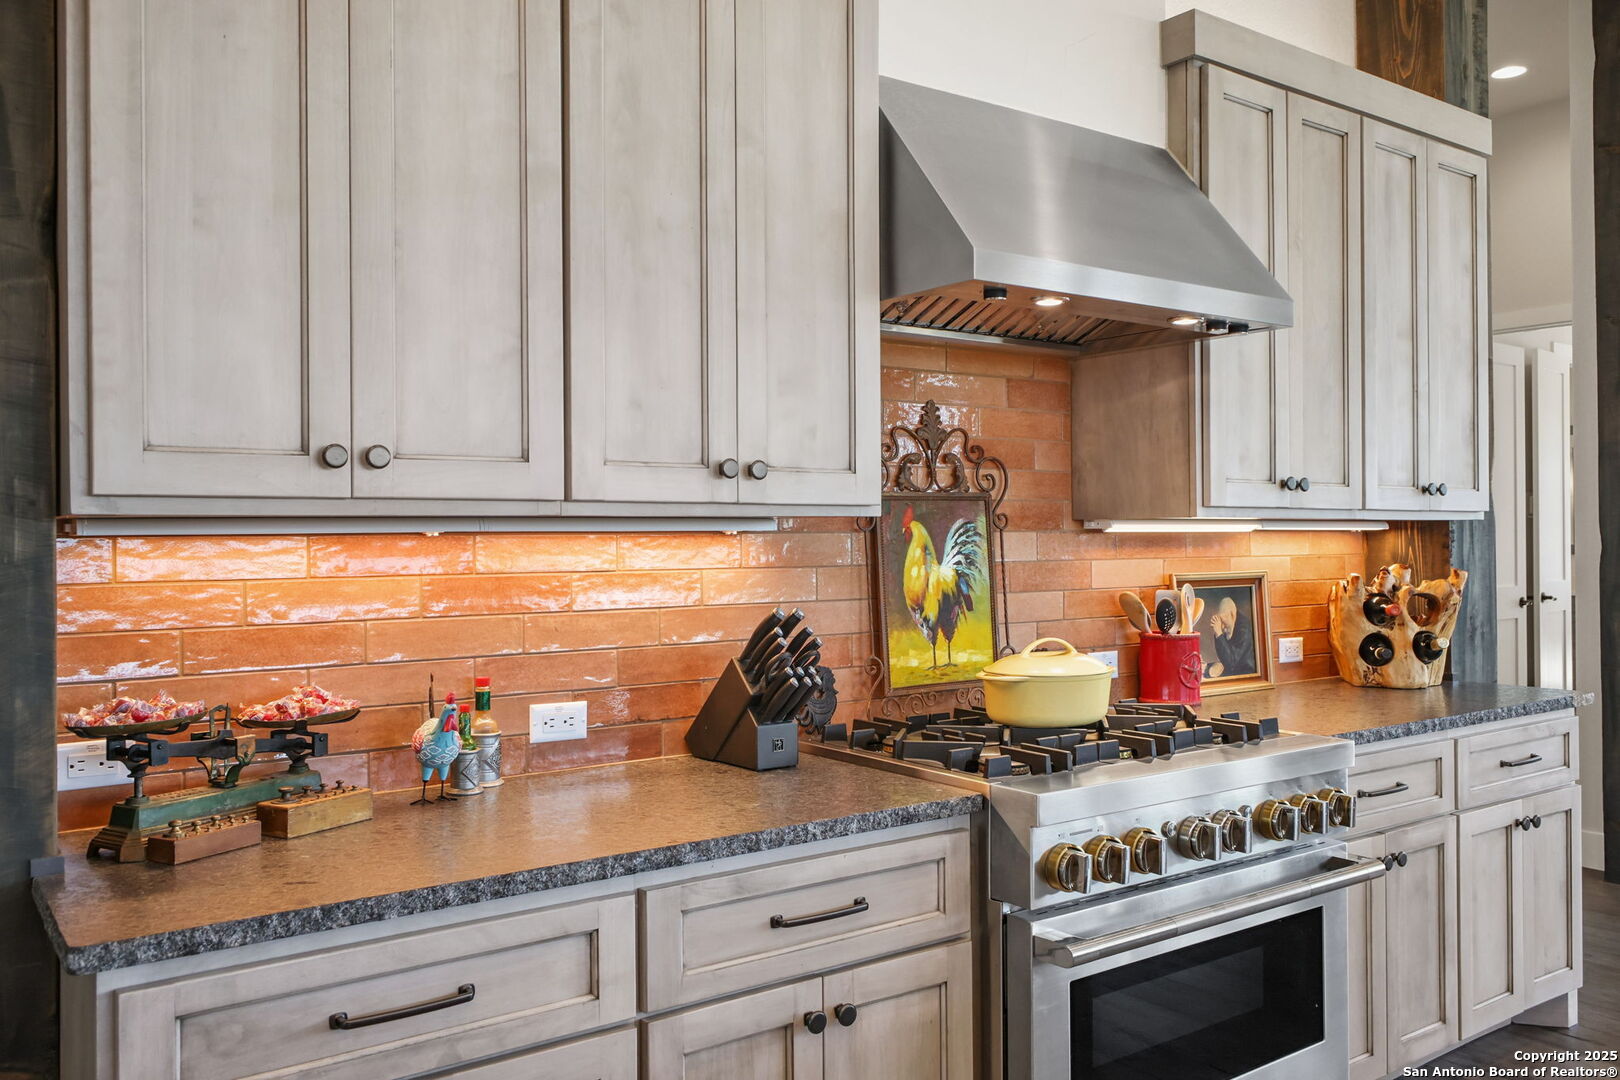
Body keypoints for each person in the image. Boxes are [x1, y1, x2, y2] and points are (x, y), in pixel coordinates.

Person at [1205, 594, 1257, 678]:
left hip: (1244, 674)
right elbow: (1223, 657)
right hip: (1233, 669)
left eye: (1223, 619)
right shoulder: (1231, 623)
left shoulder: (1244, 630)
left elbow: (1231, 662)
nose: (1222, 624)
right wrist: (1218, 633)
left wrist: (1219, 633)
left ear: (1232, 614)